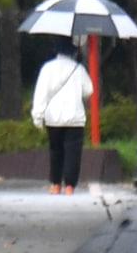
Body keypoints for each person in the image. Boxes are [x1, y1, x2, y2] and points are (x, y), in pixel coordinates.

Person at [30, 42, 93, 194]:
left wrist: (38, 117)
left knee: (56, 150)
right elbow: (89, 90)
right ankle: (70, 186)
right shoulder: (79, 69)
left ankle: (55, 184)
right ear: (72, 53)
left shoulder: (47, 68)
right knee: (73, 151)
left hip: (53, 117)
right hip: (75, 117)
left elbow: (40, 94)